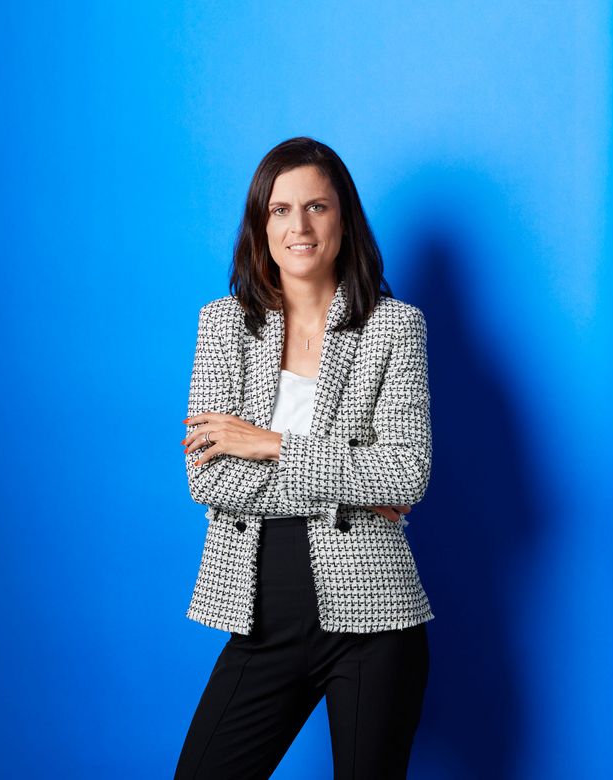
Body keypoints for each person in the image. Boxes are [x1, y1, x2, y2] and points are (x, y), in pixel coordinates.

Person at [174, 136, 434, 779]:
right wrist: (358, 485)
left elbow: (406, 474)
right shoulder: (223, 325)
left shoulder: (395, 327)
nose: (300, 226)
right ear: (261, 226)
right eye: (281, 210)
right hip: (261, 614)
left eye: (317, 206)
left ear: (343, 218)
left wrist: (269, 443)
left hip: (376, 615)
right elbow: (209, 479)